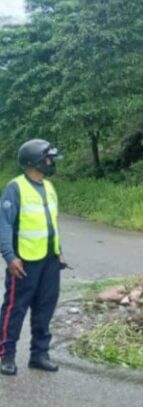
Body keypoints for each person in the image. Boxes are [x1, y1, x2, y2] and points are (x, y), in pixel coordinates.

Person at [0, 139, 66, 376]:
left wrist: (59, 252)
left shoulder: (49, 187)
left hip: (49, 259)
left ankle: (39, 354)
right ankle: (6, 355)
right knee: (15, 308)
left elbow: (51, 224)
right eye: (48, 158)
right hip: (24, 261)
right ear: (36, 161)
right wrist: (9, 256)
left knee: (45, 307)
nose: (51, 162)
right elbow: (5, 224)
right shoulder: (15, 188)